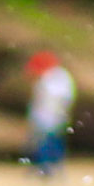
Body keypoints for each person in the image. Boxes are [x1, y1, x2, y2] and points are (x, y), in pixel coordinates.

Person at [23, 49, 75, 177]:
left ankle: (49, 168)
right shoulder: (49, 78)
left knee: (49, 143)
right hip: (45, 117)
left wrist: (55, 115)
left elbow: (59, 99)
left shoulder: (55, 78)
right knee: (45, 143)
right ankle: (45, 168)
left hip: (52, 117)